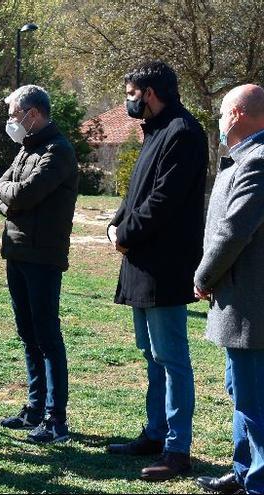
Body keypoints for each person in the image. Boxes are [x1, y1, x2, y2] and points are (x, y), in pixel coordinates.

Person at [105, 61, 208, 481]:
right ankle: (155, 432)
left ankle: (177, 449)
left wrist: (124, 232)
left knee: (172, 357)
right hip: (141, 261)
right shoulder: (155, 131)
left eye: (131, 93)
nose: (127, 100)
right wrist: (115, 224)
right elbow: (137, 193)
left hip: (164, 265)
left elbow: (163, 200)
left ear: (149, 93)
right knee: (151, 354)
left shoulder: (183, 132)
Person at [0, 85, 79, 444]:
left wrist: (9, 197)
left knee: (47, 336)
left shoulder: (58, 151)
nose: (11, 121)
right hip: (17, 251)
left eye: (14, 114)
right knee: (27, 334)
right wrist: (8, 198)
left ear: (33, 114)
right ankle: (35, 408)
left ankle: (57, 420)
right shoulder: (28, 149)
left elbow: (24, 193)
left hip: (43, 255)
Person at [193, 84, 264, 495]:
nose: (218, 123)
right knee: (241, 392)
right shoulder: (242, 159)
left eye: (221, 115)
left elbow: (234, 232)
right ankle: (243, 471)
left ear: (236, 115)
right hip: (237, 301)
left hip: (251, 303)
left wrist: (204, 275)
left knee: (255, 401)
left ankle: (258, 482)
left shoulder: (258, 161)